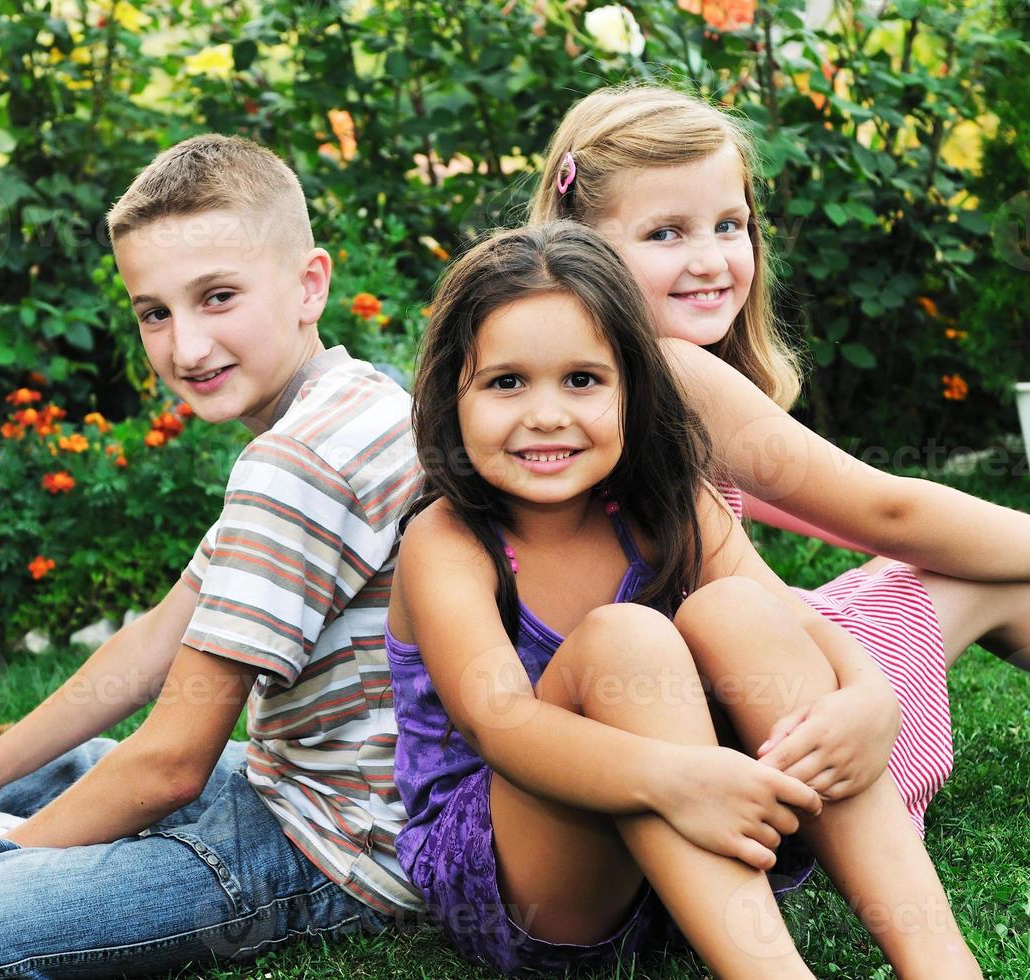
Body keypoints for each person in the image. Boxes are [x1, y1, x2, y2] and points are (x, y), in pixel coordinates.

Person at [0, 132, 424, 978]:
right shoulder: (354, 397)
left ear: (310, 284)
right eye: (154, 311)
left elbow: (174, 765)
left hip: (336, 847)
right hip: (278, 779)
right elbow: (156, 639)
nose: (185, 348)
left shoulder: (299, 462)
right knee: (69, 764)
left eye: (217, 297)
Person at [387, 220, 981, 978]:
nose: (545, 414)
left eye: (582, 379)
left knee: (734, 609)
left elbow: (791, 614)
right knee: (622, 641)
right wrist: (675, 781)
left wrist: (870, 695)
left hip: (697, 845)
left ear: (633, 388)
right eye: (506, 382)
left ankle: (940, 964)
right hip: (530, 877)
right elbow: (501, 727)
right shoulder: (447, 543)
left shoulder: (666, 501)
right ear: (451, 395)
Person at [529, 82, 1030, 836]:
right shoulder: (672, 368)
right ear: (584, 250)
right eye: (666, 233)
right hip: (752, 723)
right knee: (978, 575)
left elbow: (814, 512)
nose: (710, 259)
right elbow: (884, 511)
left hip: (679, 708)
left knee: (951, 562)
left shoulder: (580, 382)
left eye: (730, 225)